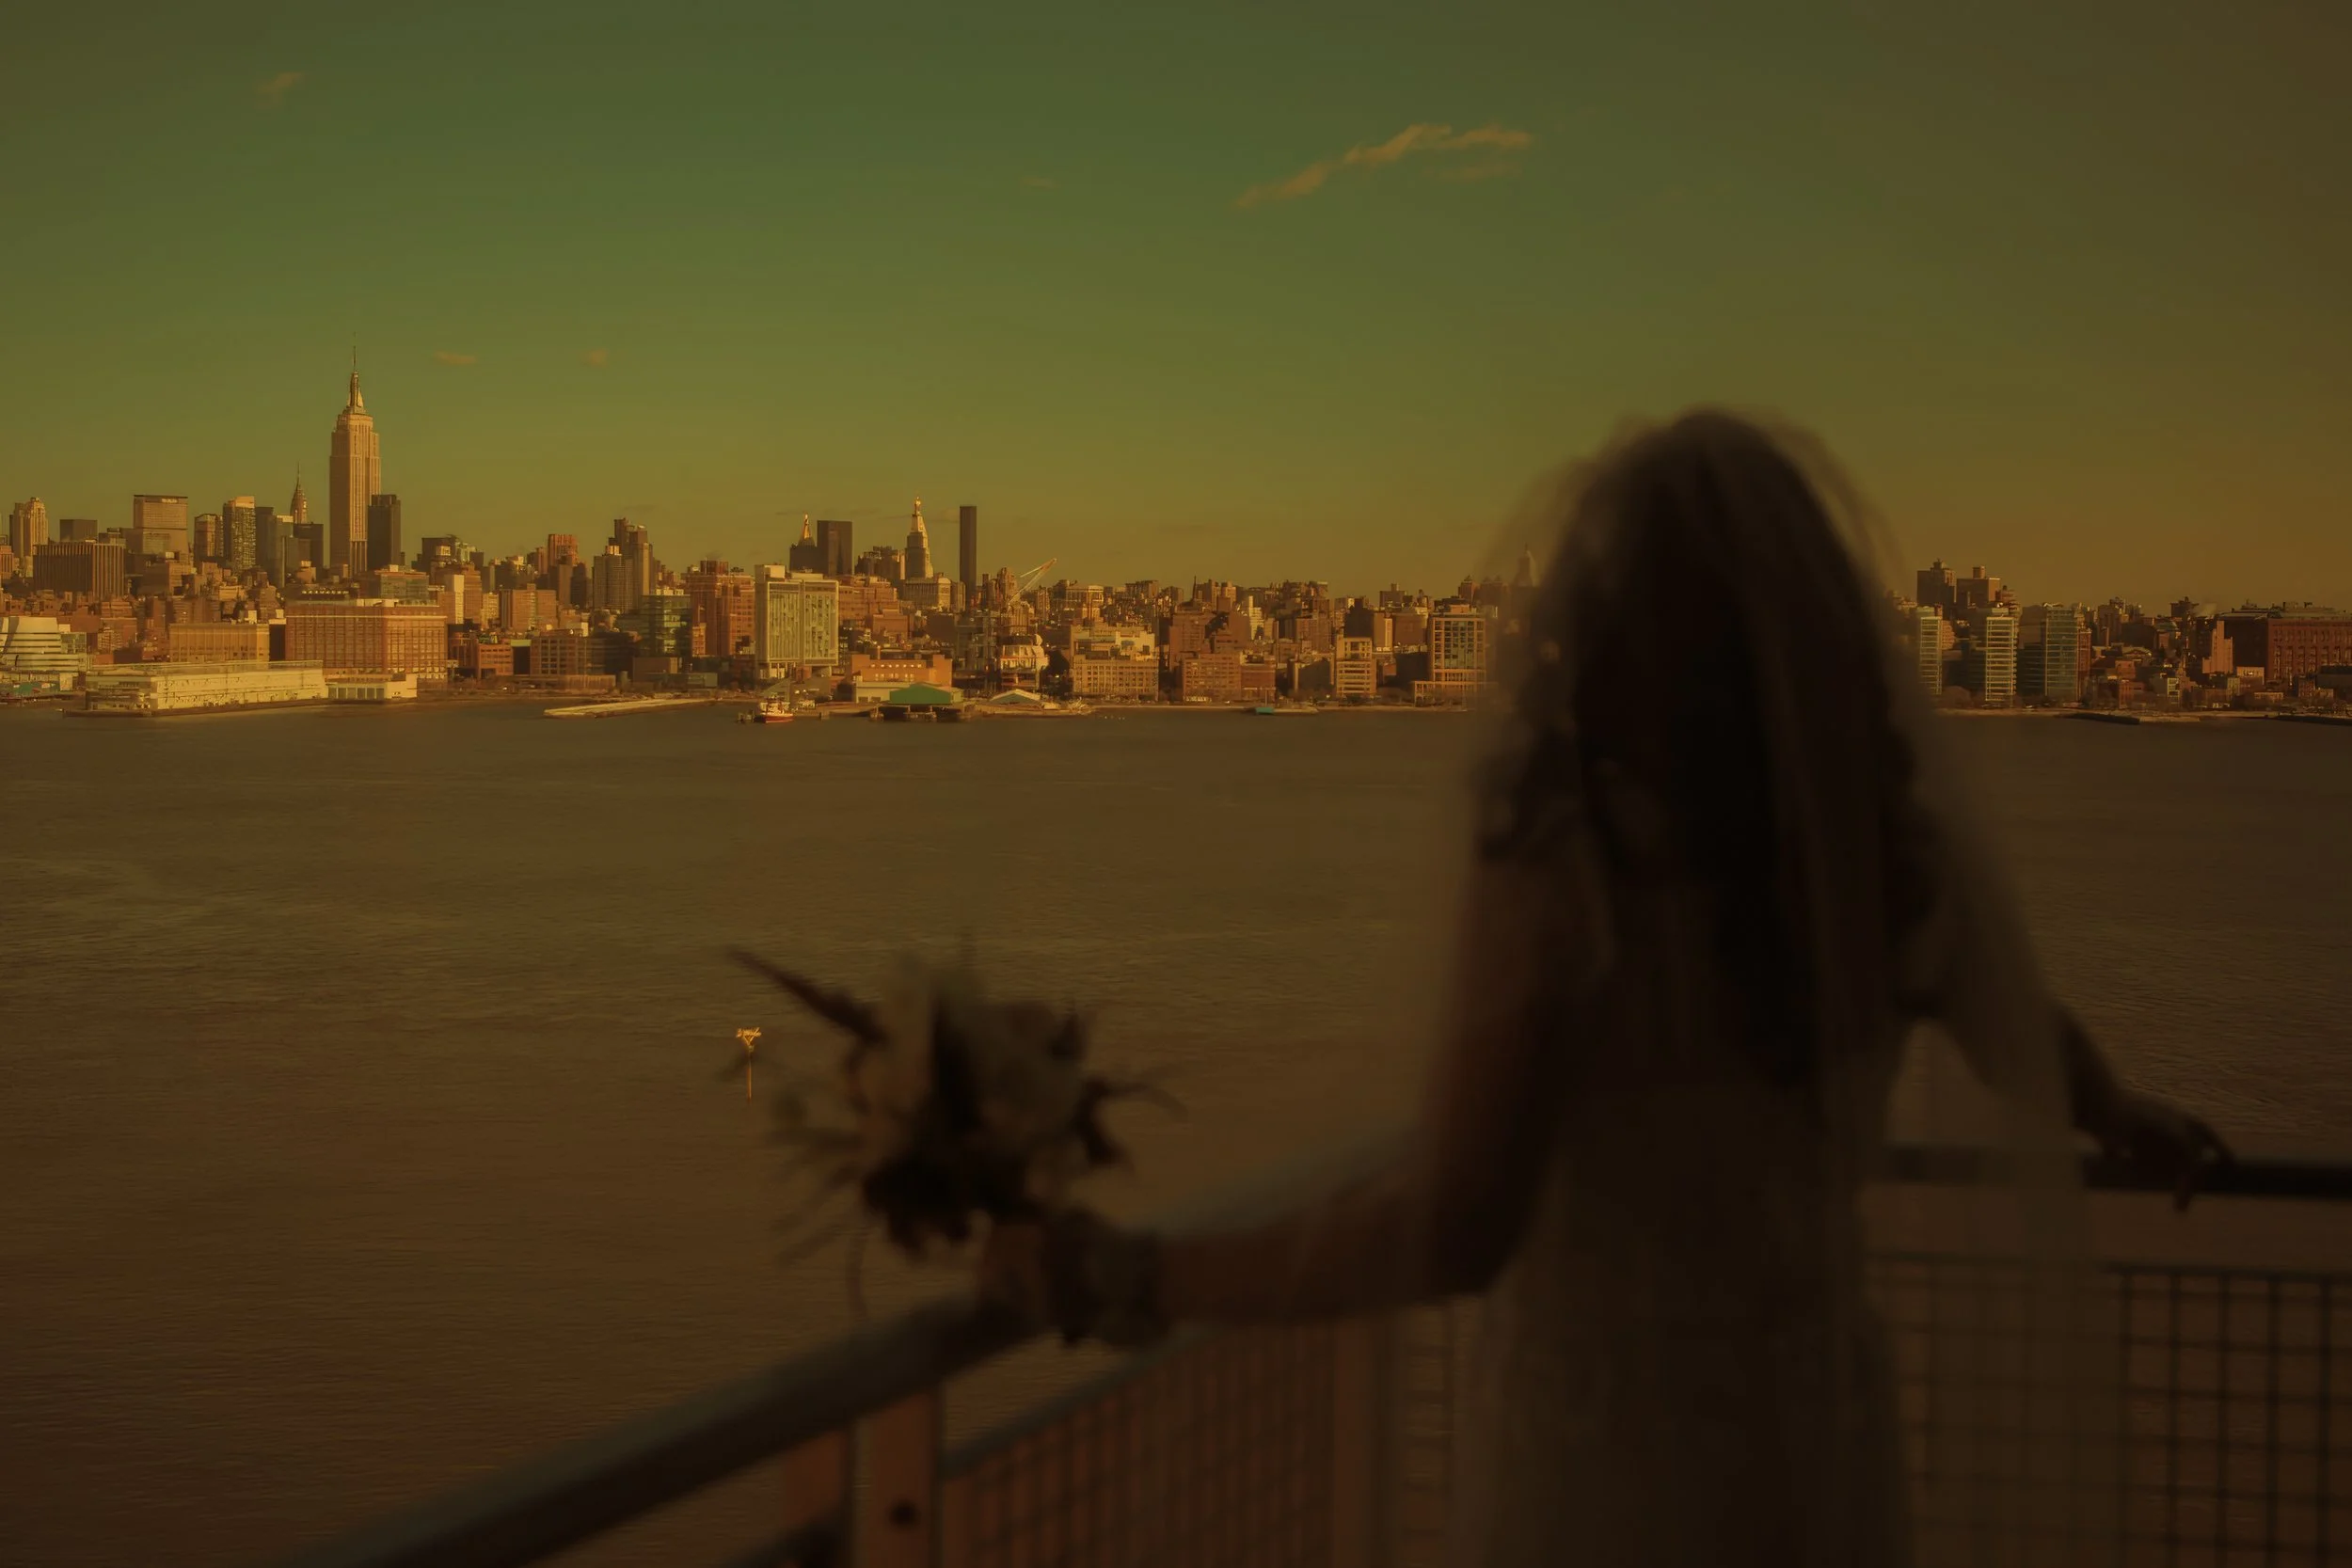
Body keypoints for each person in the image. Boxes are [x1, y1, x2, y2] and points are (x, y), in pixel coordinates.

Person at [979, 409, 2230, 1565]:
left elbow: (1459, 1220)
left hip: (1602, 1466)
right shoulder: (1880, 859)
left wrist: (1136, 1273)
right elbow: (2019, 1029)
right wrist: (2118, 1108)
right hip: (1816, 1442)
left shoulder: (1568, 864)